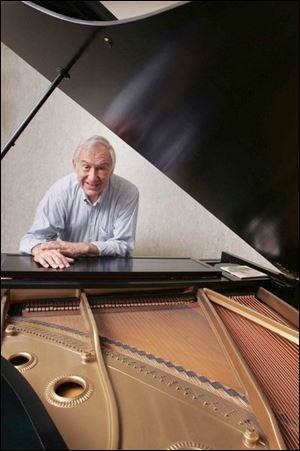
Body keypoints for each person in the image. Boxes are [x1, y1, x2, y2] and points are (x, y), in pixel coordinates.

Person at [19, 135, 139, 269]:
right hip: (68, 269)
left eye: (101, 168)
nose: (93, 178)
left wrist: (85, 248)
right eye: (86, 167)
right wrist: (38, 250)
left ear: (112, 169)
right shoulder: (61, 191)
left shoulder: (128, 192)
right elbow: (31, 238)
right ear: (75, 166)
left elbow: (123, 244)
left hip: (111, 273)